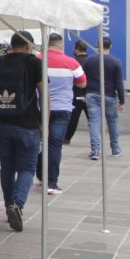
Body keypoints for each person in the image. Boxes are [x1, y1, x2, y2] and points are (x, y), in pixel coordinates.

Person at [0, 31, 44, 232]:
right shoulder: (34, 62)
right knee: (27, 167)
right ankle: (16, 204)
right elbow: (44, 94)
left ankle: (9, 205)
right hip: (27, 124)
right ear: (27, 46)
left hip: (1, 123)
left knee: (6, 166)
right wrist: (46, 124)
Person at [35, 33, 85, 195]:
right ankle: (51, 183)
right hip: (62, 109)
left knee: (39, 142)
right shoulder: (71, 62)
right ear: (60, 45)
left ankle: (40, 172)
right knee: (55, 145)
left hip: (39, 108)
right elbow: (83, 82)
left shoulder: (36, 59)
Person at [83, 37, 125, 160]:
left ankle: (95, 150)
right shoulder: (116, 61)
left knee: (94, 122)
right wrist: (122, 100)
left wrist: (84, 93)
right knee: (112, 121)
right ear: (110, 46)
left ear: (97, 46)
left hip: (92, 94)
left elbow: (83, 79)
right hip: (110, 95)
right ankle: (115, 148)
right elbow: (119, 83)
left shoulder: (89, 60)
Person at [63, 40, 90, 145]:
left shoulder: (73, 62)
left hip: (75, 93)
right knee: (93, 120)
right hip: (89, 94)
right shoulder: (90, 61)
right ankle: (96, 140)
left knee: (73, 118)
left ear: (77, 49)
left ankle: (66, 138)